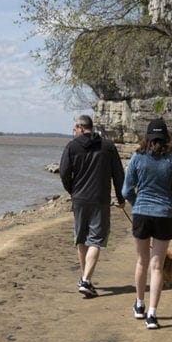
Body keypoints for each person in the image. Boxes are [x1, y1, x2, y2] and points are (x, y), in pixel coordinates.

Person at [122, 118, 172, 329]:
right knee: (157, 265)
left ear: (147, 137)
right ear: (166, 137)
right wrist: (169, 204)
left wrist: (137, 204)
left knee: (142, 261)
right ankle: (152, 314)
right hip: (164, 215)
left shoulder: (137, 158)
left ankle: (139, 305)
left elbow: (126, 191)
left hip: (142, 213)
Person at [59, 114, 125, 297]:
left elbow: (64, 173)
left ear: (81, 128)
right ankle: (86, 279)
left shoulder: (72, 147)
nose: (74, 132)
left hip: (80, 200)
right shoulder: (108, 146)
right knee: (96, 239)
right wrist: (121, 197)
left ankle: (85, 278)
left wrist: (72, 191)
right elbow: (118, 174)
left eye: (74, 129)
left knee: (82, 239)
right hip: (100, 199)